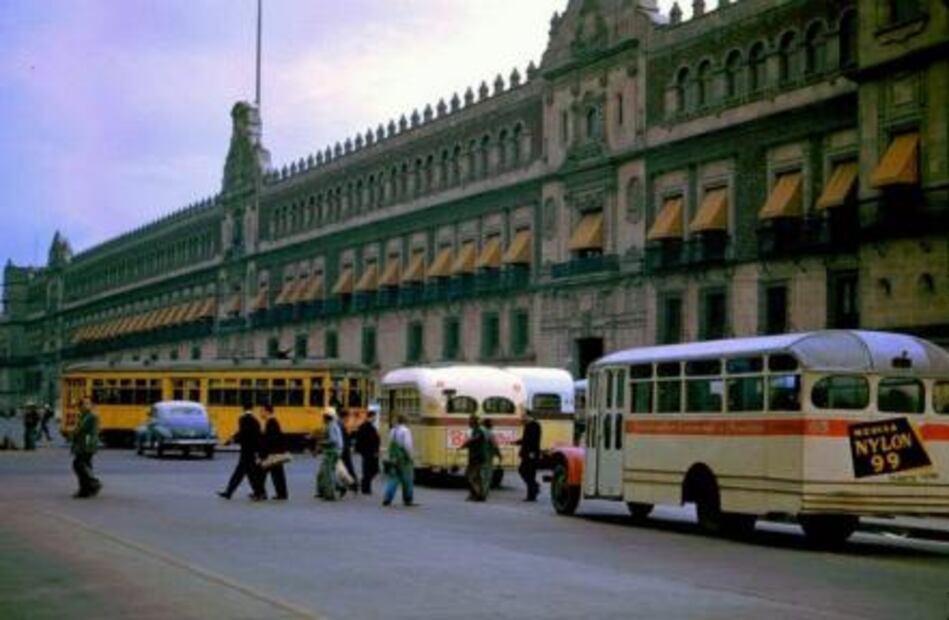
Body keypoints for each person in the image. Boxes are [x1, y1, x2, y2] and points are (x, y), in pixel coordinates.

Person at [218, 400, 266, 501]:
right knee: (247, 473)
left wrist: (231, 440)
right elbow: (257, 436)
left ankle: (230, 492)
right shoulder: (256, 421)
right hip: (252, 450)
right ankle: (257, 493)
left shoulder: (243, 419)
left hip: (246, 450)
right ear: (252, 408)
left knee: (244, 473)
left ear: (243, 408)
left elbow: (243, 433)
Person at [71, 397, 101, 498]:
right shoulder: (83, 416)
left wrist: (88, 446)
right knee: (84, 465)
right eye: (84, 404)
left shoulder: (92, 416)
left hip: (86, 445)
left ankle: (92, 483)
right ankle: (86, 489)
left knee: (79, 465)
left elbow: (87, 432)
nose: (86, 406)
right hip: (81, 444)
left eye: (88, 403)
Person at [383, 414, 415, 507]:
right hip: (403, 458)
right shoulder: (406, 431)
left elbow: (389, 444)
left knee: (393, 478)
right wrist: (410, 457)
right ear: (405, 421)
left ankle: (387, 499)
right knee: (407, 479)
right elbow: (407, 445)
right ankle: (408, 499)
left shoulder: (393, 430)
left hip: (394, 457)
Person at [260, 402, 288, 500]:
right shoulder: (273, 421)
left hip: (272, 453)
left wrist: (264, 453)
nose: (260, 413)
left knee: (262, 472)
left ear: (267, 411)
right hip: (275, 452)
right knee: (277, 474)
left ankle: (261, 493)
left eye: (262, 411)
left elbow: (270, 439)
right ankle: (282, 494)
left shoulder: (271, 422)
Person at [316, 408, 345, 500]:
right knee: (326, 472)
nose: (322, 419)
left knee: (328, 473)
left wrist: (322, 443)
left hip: (332, 451)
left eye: (323, 417)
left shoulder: (331, 426)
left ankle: (330, 494)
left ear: (326, 418)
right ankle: (330, 490)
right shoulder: (333, 425)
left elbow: (333, 440)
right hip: (335, 451)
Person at [514, 410, 542, 501]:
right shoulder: (527, 425)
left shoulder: (535, 425)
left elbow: (533, 440)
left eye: (524, 416)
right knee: (526, 472)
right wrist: (517, 442)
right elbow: (526, 439)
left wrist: (532, 453)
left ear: (530, 416)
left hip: (531, 453)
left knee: (527, 472)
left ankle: (533, 491)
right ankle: (533, 490)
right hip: (526, 453)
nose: (523, 418)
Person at [461, 415, 488, 501]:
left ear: (474, 422)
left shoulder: (478, 430)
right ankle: (477, 494)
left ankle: (478, 495)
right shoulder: (476, 430)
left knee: (470, 476)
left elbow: (475, 439)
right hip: (475, 457)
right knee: (475, 477)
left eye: (470, 421)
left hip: (477, 457)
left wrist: (466, 443)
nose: (468, 423)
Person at [354, 409, 381, 495]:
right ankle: (365, 487)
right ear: (371, 417)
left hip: (368, 451)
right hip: (369, 451)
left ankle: (365, 486)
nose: (374, 419)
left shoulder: (365, 426)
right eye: (374, 417)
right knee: (371, 469)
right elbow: (369, 440)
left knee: (369, 469)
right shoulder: (368, 427)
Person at [338, 408, 359, 494]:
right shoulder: (340, 425)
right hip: (344, 450)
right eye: (347, 417)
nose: (348, 419)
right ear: (344, 417)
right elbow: (343, 438)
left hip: (343, 449)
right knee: (348, 468)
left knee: (345, 468)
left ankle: (352, 484)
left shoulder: (340, 424)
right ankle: (353, 484)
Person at [482, 418, 502, 494]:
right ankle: (484, 491)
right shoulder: (490, 433)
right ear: (489, 425)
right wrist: (499, 454)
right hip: (487, 455)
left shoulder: (480, 431)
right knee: (487, 474)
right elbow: (494, 445)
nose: (493, 425)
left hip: (480, 455)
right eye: (491, 423)